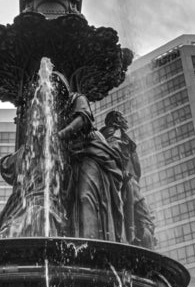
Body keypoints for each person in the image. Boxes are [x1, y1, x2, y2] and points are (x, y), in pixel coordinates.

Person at [57, 85, 124, 241]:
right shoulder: (55, 111)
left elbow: (82, 119)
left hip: (91, 151)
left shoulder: (76, 98)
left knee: (85, 195)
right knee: (69, 204)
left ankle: (90, 245)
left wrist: (60, 135)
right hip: (73, 158)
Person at [102, 110, 156, 248]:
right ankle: (134, 239)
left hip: (132, 182)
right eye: (122, 118)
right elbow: (111, 153)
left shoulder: (123, 138)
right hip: (125, 182)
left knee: (145, 220)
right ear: (115, 121)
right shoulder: (111, 136)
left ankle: (138, 241)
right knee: (144, 218)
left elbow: (136, 167)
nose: (125, 121)